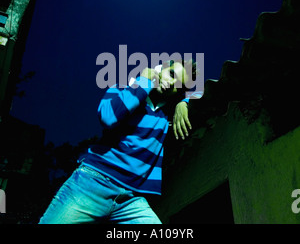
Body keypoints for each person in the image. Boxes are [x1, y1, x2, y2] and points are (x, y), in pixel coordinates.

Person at [39, 59, 200, 224]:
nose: (172, 82)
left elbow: (206, 96)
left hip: (131, 199)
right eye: (171, 74)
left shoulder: (168, 113)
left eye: (178, 84)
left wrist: (184, 102)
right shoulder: (125, 87)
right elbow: (108, 117)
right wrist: (144, 81)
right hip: (93, 182)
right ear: (160, 68)